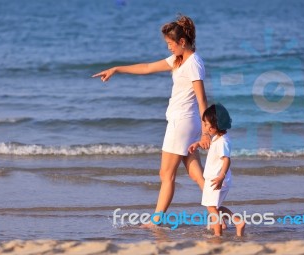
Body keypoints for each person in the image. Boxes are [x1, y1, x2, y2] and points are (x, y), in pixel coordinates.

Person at [92, 15, 210, 226]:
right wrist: (116, 69)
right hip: (185, 122)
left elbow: (202, 99)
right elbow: (147, 67)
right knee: (196, 175)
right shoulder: (179, 60)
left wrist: (206, 131)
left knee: (166, 174)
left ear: (182, 42)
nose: (168, 48)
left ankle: (155, 221)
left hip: (181, 123)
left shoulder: (192, 63)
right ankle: (220, 215)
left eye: (170, 44)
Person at [189, 103, 245, 236]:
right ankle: (237, 221)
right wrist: (198, 144)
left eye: (207, 124)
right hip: (216, 179)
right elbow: (213, 149)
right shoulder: (219, 138)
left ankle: (217, 233)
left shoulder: (222, 142)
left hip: (216, 179)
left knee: (211, 207)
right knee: (216, 207)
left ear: (216, 125)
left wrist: (221, 177)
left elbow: (227, 159)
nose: (206, 127)